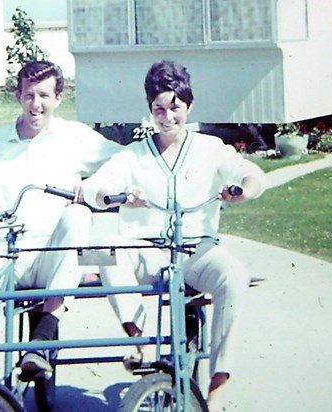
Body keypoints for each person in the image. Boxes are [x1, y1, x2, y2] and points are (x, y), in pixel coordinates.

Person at [82, 60, 266, 411]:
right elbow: (95, 187)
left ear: (189, 106)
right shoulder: (133, 154)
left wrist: (241, 190)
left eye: (175, 107)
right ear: (150, 110)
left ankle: (218, 385)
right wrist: (117, 197)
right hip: (146, 252)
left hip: (196, 251)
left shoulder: (210, 148)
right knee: (99, 251)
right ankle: (141, 341)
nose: (167, 117)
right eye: (158, 109)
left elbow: (251, 174)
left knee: (235, 275)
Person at [0, 60, 121, 380]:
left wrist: (90, 188)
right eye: (29, 95)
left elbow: (124, 160)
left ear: (58, 98)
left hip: (54, 253)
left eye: (44, 95)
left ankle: (43, 335)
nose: (36, 104)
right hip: (7, 254)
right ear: (18, 96)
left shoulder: (74, 136)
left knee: (77, 215)